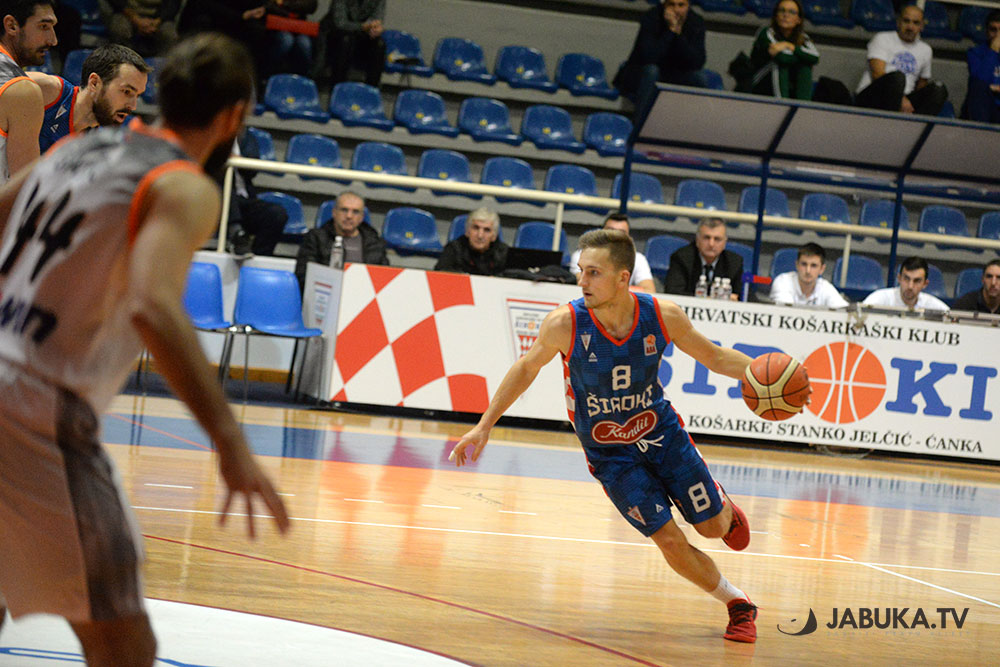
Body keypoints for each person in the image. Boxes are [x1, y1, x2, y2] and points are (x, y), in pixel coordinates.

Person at [0, 33, 290, 666]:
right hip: (39, 412)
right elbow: (153, 306)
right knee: (125, 645)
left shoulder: (77, 148)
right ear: (234, 116)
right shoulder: (183, 186)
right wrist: (231, 442)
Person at [450, 228, 764, 643]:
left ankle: (722, 506)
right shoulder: (566, 323)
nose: (582, 281)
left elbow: (716, 357)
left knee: (711, 528)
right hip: (609, 453)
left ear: (622, 277)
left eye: (593, 273)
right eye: (581, 271)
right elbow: (526, 368)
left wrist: (770, 373)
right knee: (669, 539)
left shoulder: (662, 314)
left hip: (661, 434)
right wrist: (484, 425)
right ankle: (738, 603)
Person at [28, 43, 149, 153]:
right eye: (126, 91)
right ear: (94, 83)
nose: (133, 106)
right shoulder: (48, 90)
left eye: (137, 95)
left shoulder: (99, 146)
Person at [854, 4, 948, 116]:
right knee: (898, 77)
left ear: (922, 26)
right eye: (906, 21)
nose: (910, 27)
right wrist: (900, 98)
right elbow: (877, 74)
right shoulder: (882, 38)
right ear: (898, 22)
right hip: (873, 97)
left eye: (916, 23)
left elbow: (921, 84)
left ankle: (917, 126)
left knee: (938, 89)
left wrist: (910, 102)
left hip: (904, 98)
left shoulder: (926, 50)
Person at [0, 0, 56, 184]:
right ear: (11, 25)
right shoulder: (23, 90)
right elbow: (25, 189)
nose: (53, 40)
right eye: (44, 26)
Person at [613, 0, 707, 103]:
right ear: (664, 5)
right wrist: (670, 31)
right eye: (671, 5)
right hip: (641, 73)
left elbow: (697, 62)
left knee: (699, 78)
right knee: (652, 71)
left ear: (688, 6)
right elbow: (650, 57)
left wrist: (678, 34)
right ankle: (642, 114)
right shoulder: (651, 17)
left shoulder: (696, 22)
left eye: (681, 5)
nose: (676, 10)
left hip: (675, 74)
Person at [294, 190, 388, 289]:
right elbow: (304, 275)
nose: (349, 216)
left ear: (361, 217)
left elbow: (385, 278)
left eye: (355, 212)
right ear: (334, 212)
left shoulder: (375, 243)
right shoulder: (316, 238)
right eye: (344, 210)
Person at [746, 0, 819, 101]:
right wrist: (801, 55)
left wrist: (789, 46)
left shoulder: (803, 38)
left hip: (788, 83)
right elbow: (782, 58)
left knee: (805, 67)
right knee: (780, 64)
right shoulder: (766, 33)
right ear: (776, 16)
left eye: (791, 12)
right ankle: (782, 104)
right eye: (782, 10)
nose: (785, 15)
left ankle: (803, 106)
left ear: (798, 20)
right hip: (759, 81)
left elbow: (815, 57)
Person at [568, 213, 656, 293]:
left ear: (628, 237)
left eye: (621, 233)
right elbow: (584, 284)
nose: (615, 237)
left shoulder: (639, 259)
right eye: (610, 231)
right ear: (601, 233)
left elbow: (649, 291)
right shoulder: (582, 255)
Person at [663, 218, 743, 298]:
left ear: (725, 242)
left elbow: (742, 296)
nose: (711, 244)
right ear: (697, 239)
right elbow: (673, 292)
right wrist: (710, 299)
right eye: (706, 238)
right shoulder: (681, 258)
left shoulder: (734, 262)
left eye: (717, 239)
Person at [320, 0, 385, 87]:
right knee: (345, 40)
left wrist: (375, 28)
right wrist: (364, 26)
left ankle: (372, 89)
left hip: (362, 36)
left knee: (380, 44)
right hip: (336, 35)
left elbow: (377, 18)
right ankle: (338, 87)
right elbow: (341, 23)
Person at [769, 243, 848, 308]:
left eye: (813, 266)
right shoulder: (782, 282)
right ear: (797, 265)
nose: (808, 271)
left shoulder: (826, 287)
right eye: (804, 264)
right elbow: (787, 312)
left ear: (822, 269)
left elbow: (843, 311)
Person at [434, 207, 508, 276]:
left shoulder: (504, 253)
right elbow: (440, 274)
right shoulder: (454, 249)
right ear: (467, 231)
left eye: (487, 230)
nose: (480, 235)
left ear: (494, 236)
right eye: (476, 228)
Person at [862, 256, 948, 311]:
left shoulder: (936, 308)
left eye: (916, 281)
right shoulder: (878, 300)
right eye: (906, 279)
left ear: (925, 284)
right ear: (899, 278)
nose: (910, 286)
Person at [98, 0, 180, 57]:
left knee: (170, 34)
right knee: (120, 29)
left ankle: (166, 70)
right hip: (128, 15)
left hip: (159, 18)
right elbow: (118, 3)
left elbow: (172, 5)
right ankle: (122, 64)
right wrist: (136, 20)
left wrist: (157, 21)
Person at [963, 9, 1000, 124]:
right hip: (984, 108)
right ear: (986, 31)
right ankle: (979, 132)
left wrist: (993, 88)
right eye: (993, 30)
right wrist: (993, 51)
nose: (998, 35)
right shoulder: (975, 53)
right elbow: (980, 82)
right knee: (979, 87)